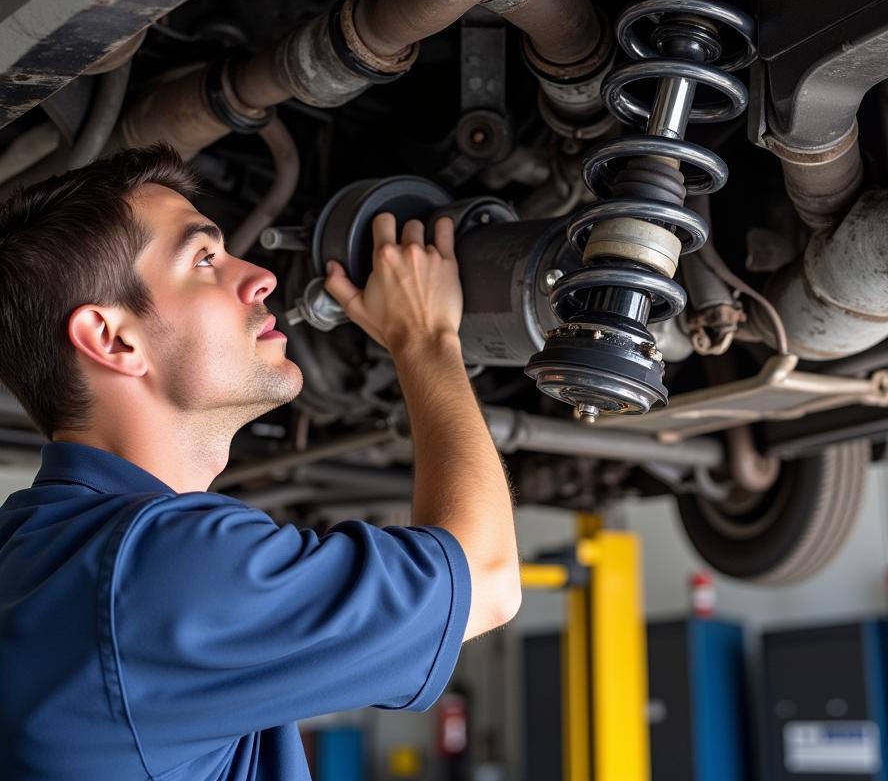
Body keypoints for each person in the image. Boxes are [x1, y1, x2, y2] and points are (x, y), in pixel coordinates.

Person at [0, 144, 520, 780]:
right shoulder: (156, 568)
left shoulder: (30, 551)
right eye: (204, 259)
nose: (259, 276)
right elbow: (487, 580)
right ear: (112, 339)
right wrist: (427, 339)